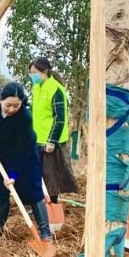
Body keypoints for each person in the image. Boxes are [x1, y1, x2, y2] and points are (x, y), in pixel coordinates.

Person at [0, 82, 52, 240]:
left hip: (24, 154)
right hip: (0, 151)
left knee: (33, 192)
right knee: (1, 192)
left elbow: (22, 151)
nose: (12, 109)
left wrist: (13, 175)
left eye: (16, 105)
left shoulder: (24, 118)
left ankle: (45, 232)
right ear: (0, 99)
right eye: (8, 105)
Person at [28, 56, 79, 203]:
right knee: (38, 175)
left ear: (44, 71)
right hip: (37, 138)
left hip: (50, 142)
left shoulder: (55, 89)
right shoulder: (37, 88)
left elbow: (59, 118)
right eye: (31, 73)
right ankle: (39, 205)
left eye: (34, 72)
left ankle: (52, 205)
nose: (32, 76)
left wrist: (52, 141)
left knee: (51, 177)